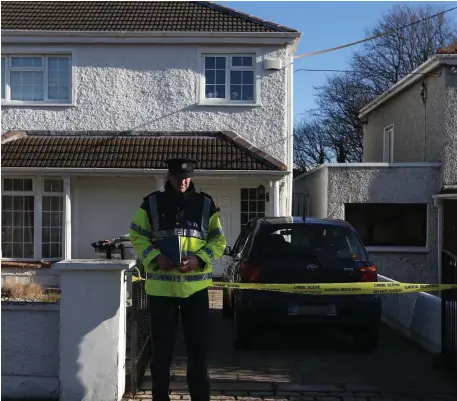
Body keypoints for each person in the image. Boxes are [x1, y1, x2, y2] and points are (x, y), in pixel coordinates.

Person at [129, 158, 226, 401]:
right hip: (161, 292)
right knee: (161, 355)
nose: (182, 182)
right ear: (168, 177)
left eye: (186, 177)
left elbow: (219, 241)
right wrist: (155, 257)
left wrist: (199, 259)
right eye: (177, 177)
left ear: (191, 177)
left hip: (196, 292)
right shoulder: (151, 204)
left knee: (198, 353)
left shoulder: (206, 204)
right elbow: (136, 236)